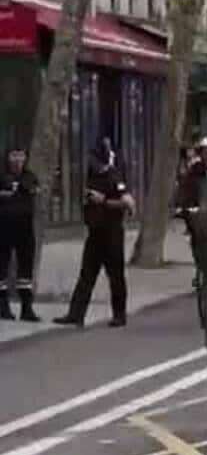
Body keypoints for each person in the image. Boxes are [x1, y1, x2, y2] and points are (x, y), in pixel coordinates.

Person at [56, 137, 135, 327]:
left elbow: (129, 204)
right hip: (95, 232)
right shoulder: (91, 177)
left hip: (112, 232)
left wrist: (104, 201)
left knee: (115, 275)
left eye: (95, 159)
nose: (92, 163)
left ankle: (119, 315)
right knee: (86, 274)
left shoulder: (114, 176)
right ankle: (76, 314)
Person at [0, 146, 39, 321]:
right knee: (1, 268)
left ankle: (26, 308)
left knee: (26, 269)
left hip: (25, 229)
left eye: (20, 156)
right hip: (3, 228)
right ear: (8, 158)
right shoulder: (1, 176)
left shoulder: (29, 176)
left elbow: (34, 189)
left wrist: (17, 191)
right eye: (13, 156)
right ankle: (2, 307)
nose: (17, 160)